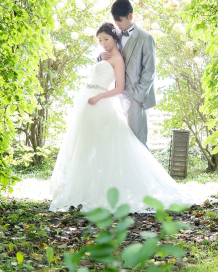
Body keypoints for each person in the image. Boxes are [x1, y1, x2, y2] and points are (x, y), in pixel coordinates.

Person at [49, 22, 197, 212]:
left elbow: (119, 88)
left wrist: (98, 96)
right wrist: (100, 58)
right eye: (100, 40)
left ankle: (107, 190)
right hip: (88, 101)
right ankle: (86, 188)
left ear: (115, 38)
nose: (103, 43)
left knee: (106, 146)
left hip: (100, 102)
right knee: (85, 145)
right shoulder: (105, 55)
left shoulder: (118, 59)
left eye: (106, 39)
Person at [99, 0, 156, 147]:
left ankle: (143, 171)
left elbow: (149, 71)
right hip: (117, 95)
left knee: (138, 143)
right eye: (115, 21)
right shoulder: (116, 36)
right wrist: (100, 57)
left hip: (136, 97)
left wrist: (138, 97)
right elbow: (107, 51)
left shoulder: (146, 38)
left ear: (130, 16)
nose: (117, 24)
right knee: (123, 143)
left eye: (120, 21)